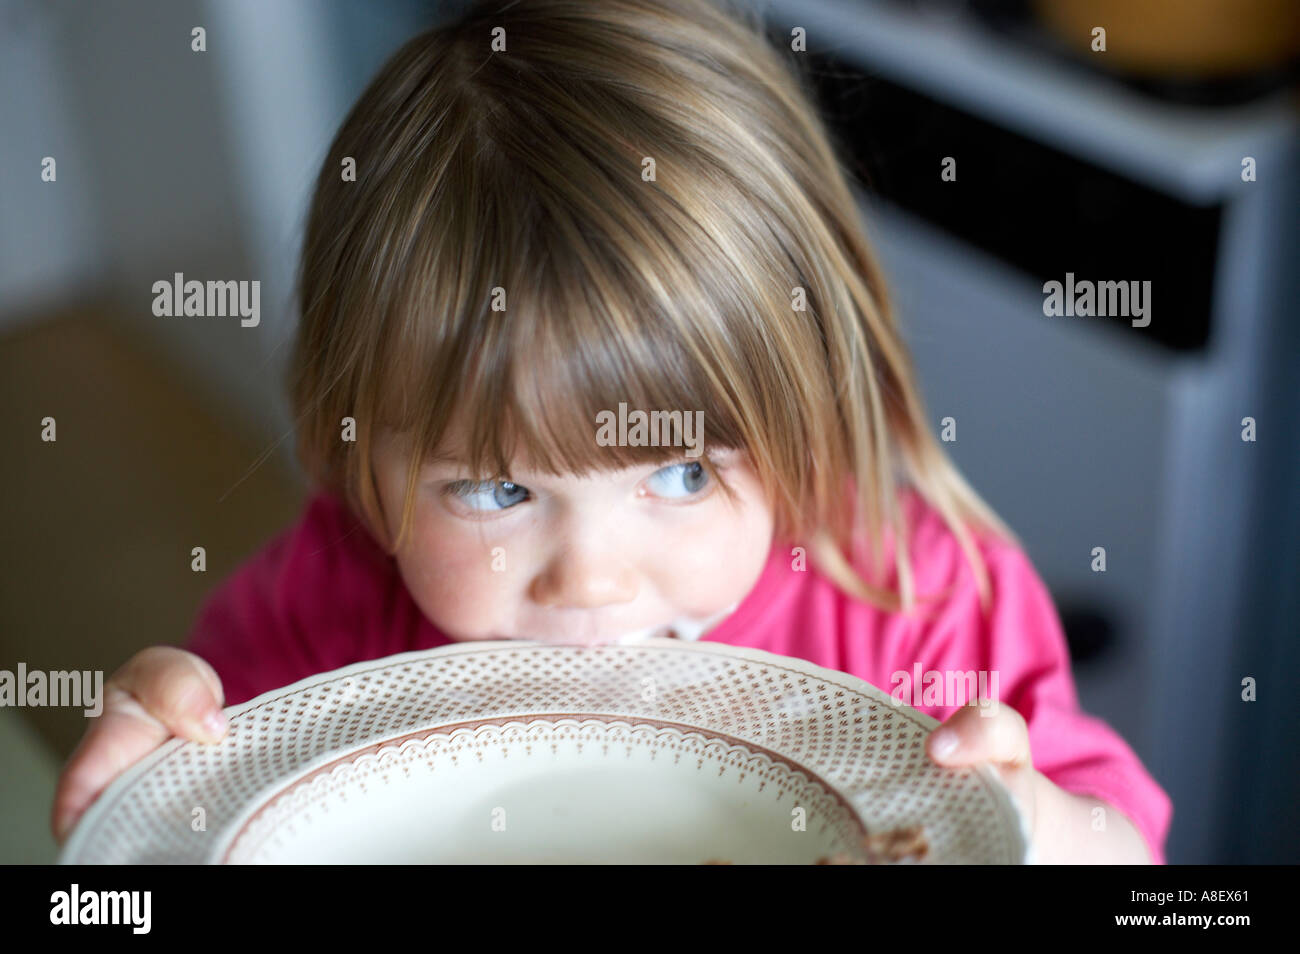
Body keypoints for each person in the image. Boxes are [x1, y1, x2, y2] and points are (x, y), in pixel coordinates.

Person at [51, 0, 1171, 863]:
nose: (588, 582)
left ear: (810, 414)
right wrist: (145, 804)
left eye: (680, 471)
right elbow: (206, 808)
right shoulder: (334, 594)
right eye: (495, 491)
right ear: (356, 462)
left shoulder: (918, 604)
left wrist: (1039, 828)